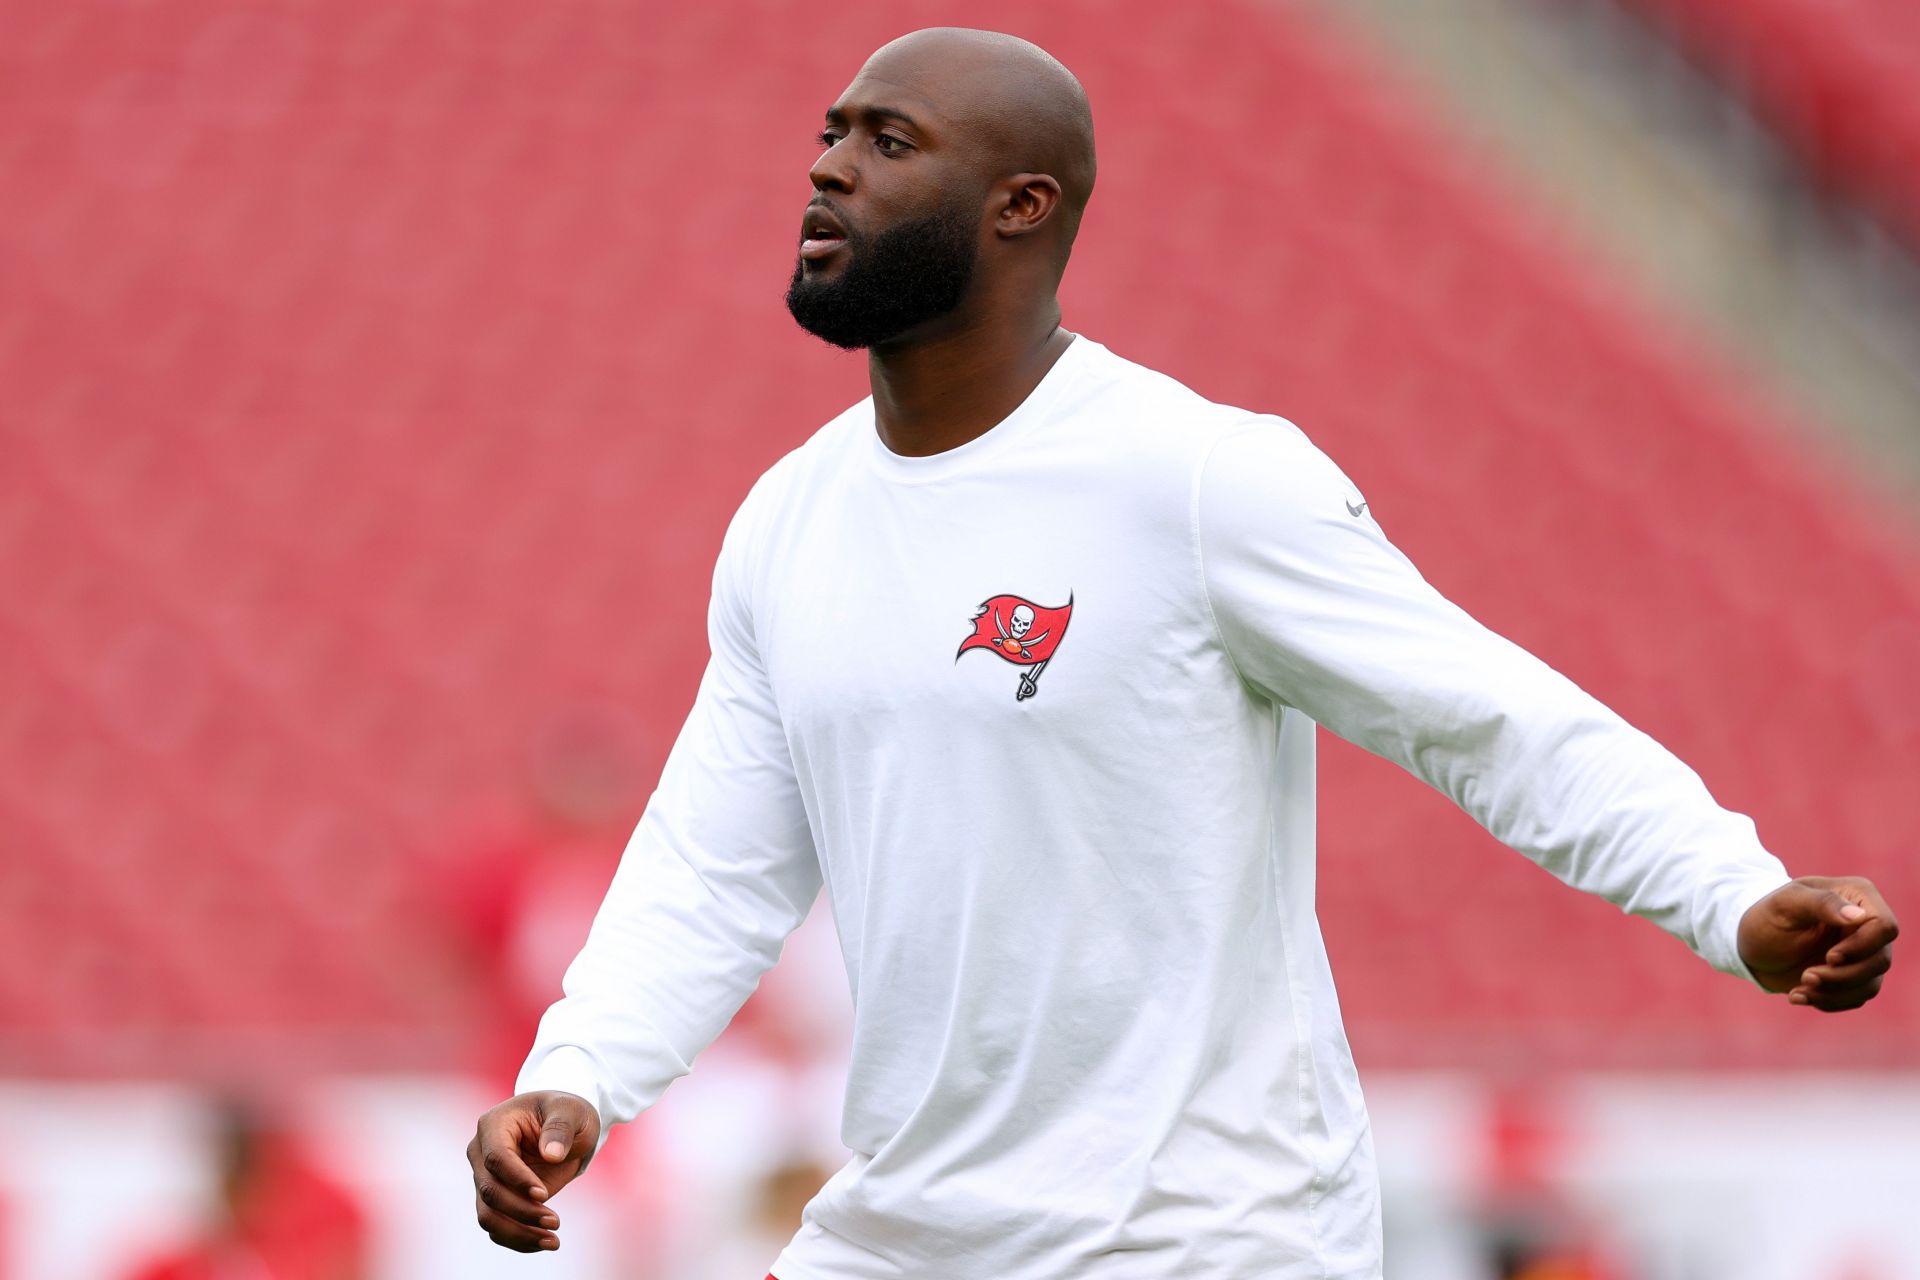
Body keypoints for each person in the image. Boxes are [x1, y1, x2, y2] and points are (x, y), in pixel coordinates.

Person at [466, 27, 1899, 1278]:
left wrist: (1732, 896)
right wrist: (579, 1079)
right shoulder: (790, 521)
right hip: (920, 1233)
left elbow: (1483, 719)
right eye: (831, 135)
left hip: (1205, 1233)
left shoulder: (1201, 481)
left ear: (1022, 205)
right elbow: (715, 869)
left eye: (887, 142)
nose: (829, 168)